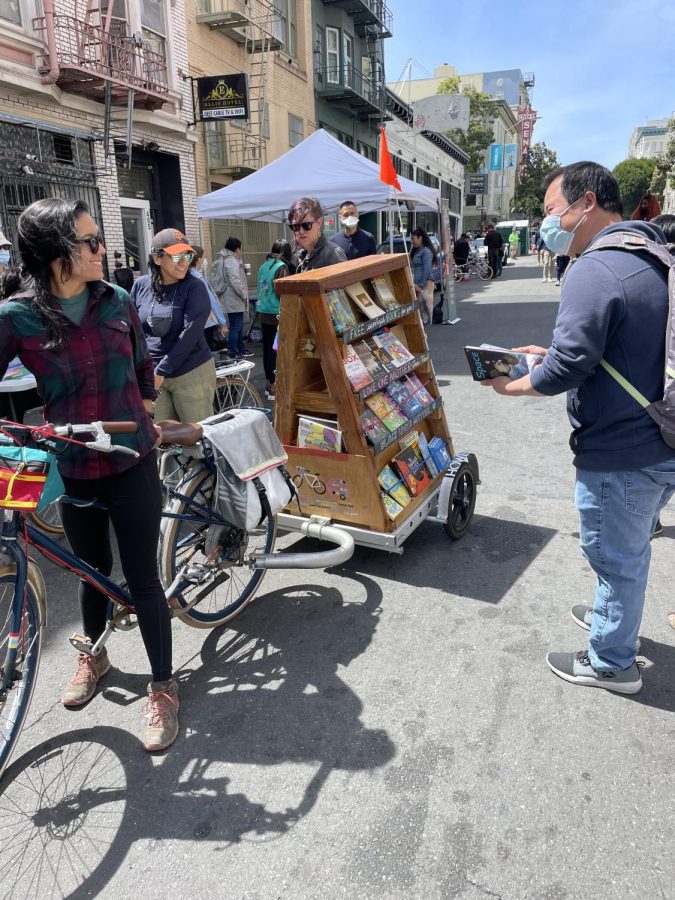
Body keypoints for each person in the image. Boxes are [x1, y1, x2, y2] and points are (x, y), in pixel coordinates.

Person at [483, 161, 675, 695]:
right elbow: (624, 348)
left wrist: (512, 386)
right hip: (660, 435)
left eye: (550, 212)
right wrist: (552, 353)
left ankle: (612, 662)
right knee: (625, 549)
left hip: (622, 448)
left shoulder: (595, 267)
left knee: (615, 556)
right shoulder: (651, 255)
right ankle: (611, 619)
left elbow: (568, 367)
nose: (548, 223)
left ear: (585, 203)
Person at [0, 198, 180, 751]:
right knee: (91, 569)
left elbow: (144, 367)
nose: (105, 251)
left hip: (131, 459)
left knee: (143, 578)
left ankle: (163, 685)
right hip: (74, 463)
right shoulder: (17, 317)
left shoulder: (118, 300)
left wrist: (144, 404)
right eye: (92, 243)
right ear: (58, 254)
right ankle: (94, 656)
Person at [131, 228, 217, 423]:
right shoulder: (141, 285)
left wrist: (162, 370)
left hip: (191, 370)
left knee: (196, 439)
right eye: (176, 256)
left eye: (187, 255)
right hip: (152, 374)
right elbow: (132, 329)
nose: (184, 262)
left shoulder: (194, 287)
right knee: (157, 436)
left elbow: (190, 334)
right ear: (157, 258)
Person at [256, 239, 294, 400]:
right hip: (277, 313)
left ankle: (268, 384)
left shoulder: (264, 265)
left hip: (263, 311)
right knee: (278, 350)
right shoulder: (281, 267)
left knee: (267, 349)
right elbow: (283, 292)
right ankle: (275, 385)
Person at [208, 236, 252, 361]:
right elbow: (234, 280)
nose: (241, 251)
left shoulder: (227, 259)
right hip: (233, 299)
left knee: (237, 325)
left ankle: (240, 349)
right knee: (236, 326)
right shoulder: (231, 260)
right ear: (237, 249)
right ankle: (233, 352)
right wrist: (243, 294)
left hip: (231, 299)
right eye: (241, 249)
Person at [288, 197, 346, 272]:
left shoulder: (333, 254)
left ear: (319, 222)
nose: (301, 231)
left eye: (306, 225)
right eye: (296, 226)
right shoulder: (302, 254)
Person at [189, 245, 228, 352]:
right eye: (204, 257)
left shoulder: (185, 277)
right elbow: (212, 302)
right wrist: (223, 323)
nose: (205, 261)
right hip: (207, 323)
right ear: (199, 259)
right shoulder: (199, 279)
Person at [410, 226, 436, 324]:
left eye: (413, 239)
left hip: (424, 284)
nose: (412, 241)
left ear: (420, 238)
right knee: (420, 309)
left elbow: (427, 269)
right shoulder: (417, 251)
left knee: (424, 309)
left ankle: (424, 332)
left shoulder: (426, 251)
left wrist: (419, 285)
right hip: (418, 284)